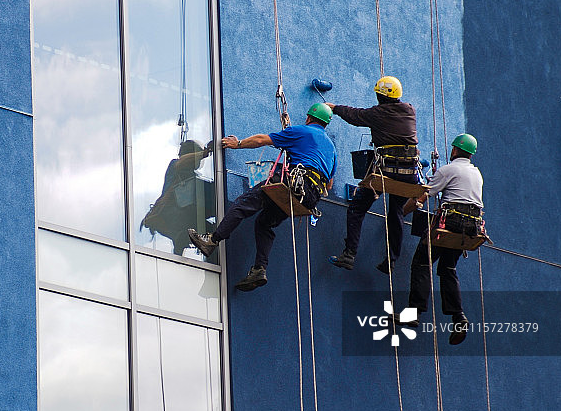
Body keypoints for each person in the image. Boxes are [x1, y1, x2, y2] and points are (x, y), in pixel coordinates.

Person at [188, 103, 337, 291]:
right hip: (309, 198)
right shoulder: (331, 148)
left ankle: (212, 241)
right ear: (326, 124)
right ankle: (259, 269)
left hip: (295, 182)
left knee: (243, 203)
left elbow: (261, 140)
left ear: (309, 118)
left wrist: (238, 143)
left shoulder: (302, 132)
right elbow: (329, 185)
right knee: (264, 223)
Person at [325, 75, 420, 273]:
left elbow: (354, 115)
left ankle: (349, 254)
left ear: (380, 96)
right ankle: (391, 261)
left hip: (385, 172)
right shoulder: (410, 110)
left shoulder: (377, 114)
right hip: (409, 173)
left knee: (357, 208)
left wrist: (334, 108)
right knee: (396, 213)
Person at [398, 134, 483, 345]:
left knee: (422, 261)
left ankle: (414, 312)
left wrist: (401, 213)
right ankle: (458, 317)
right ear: (470, 154)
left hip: (450, 221)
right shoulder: (476, 173)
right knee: (448, 269)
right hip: (469, 227)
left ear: (454, 150)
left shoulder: (448, 169)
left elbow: (423, 195)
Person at [141, 140, 214, 255]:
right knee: (187, 234)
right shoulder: (175, 165)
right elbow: (182, 162)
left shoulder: (192, 177)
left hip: (180, 217)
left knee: (213, 233)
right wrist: (204, 154)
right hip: (171, 213)